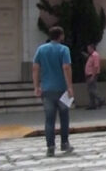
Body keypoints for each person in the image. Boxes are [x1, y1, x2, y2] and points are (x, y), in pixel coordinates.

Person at [32, 26, 75, 157]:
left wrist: (36, 86)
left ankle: (50, 146)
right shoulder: (64, 49)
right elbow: (66, 67)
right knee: (64, 117)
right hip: (62, 89)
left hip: (47, 89)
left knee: (49, 119)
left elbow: (35, 68)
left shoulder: (41, 49)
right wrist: (70, 87)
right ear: (60, 36)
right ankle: (64, 143)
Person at [84, 43, 105, 110]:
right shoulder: (91, 56)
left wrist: (93, 76)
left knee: (92, 89)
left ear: (92, 48)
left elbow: (96, 66)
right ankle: (92, 104)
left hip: (92, 74)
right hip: (89, 74)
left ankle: (100, 99)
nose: (88, 50)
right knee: (90, 89)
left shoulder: (95, 55)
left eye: (89, 49)